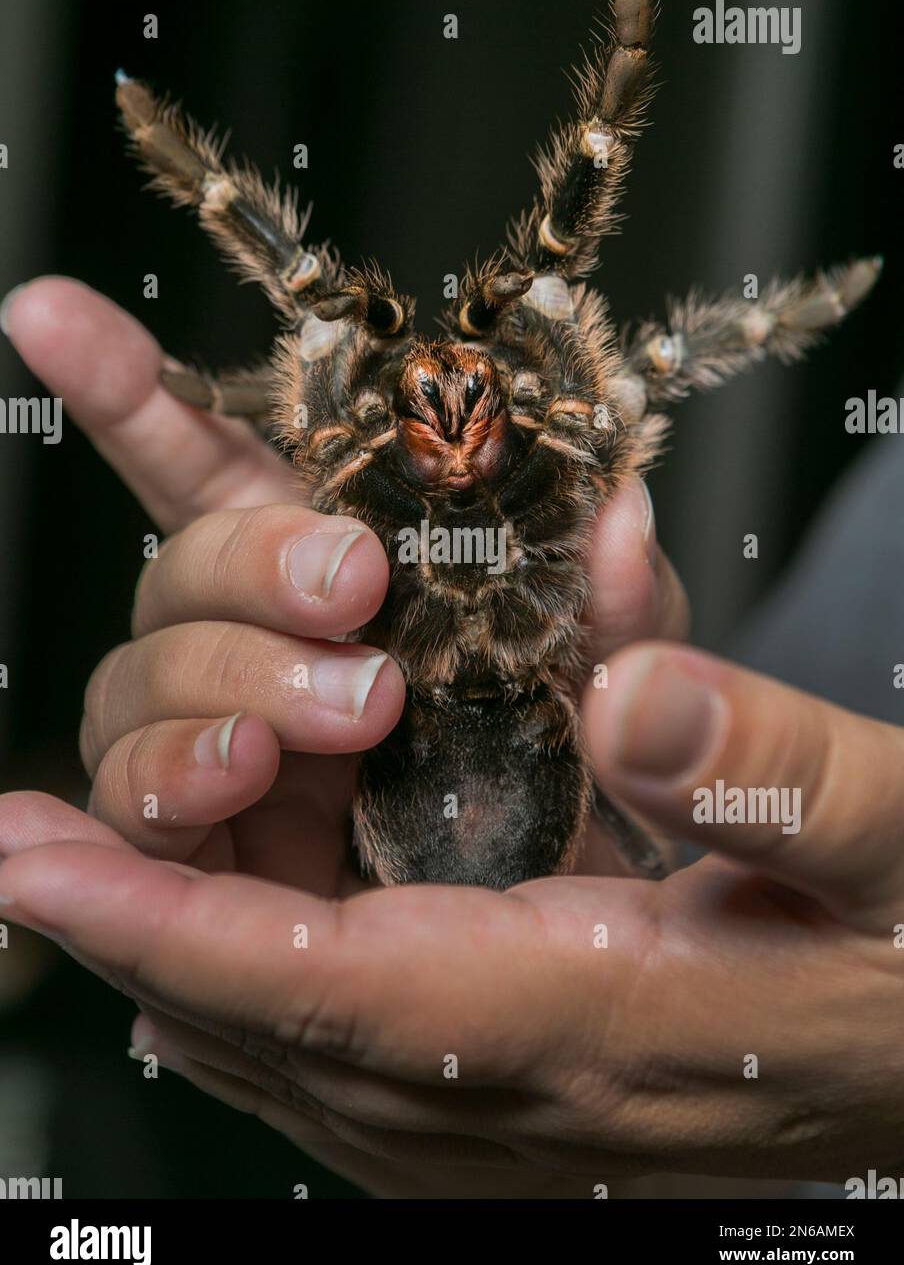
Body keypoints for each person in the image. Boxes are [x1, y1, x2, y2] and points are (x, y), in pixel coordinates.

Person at [0, 276, 902, 1199]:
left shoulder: (555, 457)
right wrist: (666, 1175)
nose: (455, 415)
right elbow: (735, 946)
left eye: (475, 395)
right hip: (443, 770)